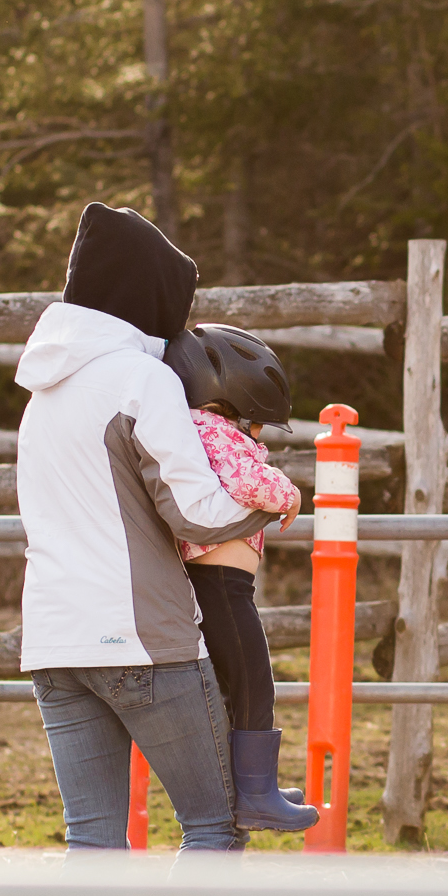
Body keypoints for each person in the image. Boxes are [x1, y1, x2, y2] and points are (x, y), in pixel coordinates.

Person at [17, 202, 289, 896]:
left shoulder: (43, 389)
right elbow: (200, 512)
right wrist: (272, 503)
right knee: (216, 826)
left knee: (91, 850)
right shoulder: (139, 380)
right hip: (142, 640)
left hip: (55, 645)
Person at [164, 323, 317, 831]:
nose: (259, 437)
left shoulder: (196, 430)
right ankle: (255, 793)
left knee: (236, 684)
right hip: (224, 589)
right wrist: (290, 494)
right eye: (258, 426)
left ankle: (253, 784)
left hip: (220, 586)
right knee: (252, 681)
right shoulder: (213, 433)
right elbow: (252, 482)